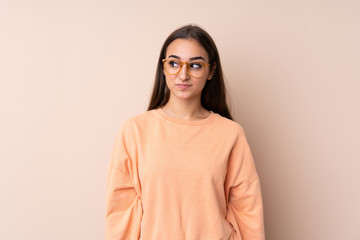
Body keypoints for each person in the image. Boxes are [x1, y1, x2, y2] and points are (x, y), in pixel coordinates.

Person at [105, 24, 265, 240]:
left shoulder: (231, 134)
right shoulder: (134, 131)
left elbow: (247, 212)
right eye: (173, 63)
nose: (183, 75)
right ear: (163, 68)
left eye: (195, 66)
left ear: (211, 71)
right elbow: (120, 213)